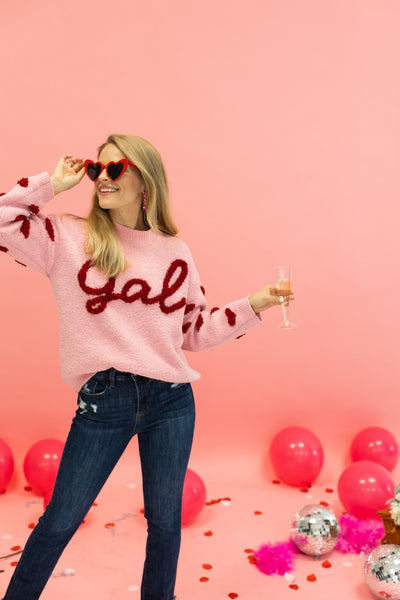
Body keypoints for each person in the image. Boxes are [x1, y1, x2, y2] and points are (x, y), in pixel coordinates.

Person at [0, 134, 292, 600]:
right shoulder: (66, 237)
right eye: (97, 168)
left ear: (146, 182)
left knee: (165, 521)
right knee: (60, 519)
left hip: (171, 400)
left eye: (116, 169)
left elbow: (194, 333)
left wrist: (254, 304)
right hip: (106, 400)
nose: (103, 177)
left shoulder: (175, 252)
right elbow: (3, 220)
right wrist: (51, 184)